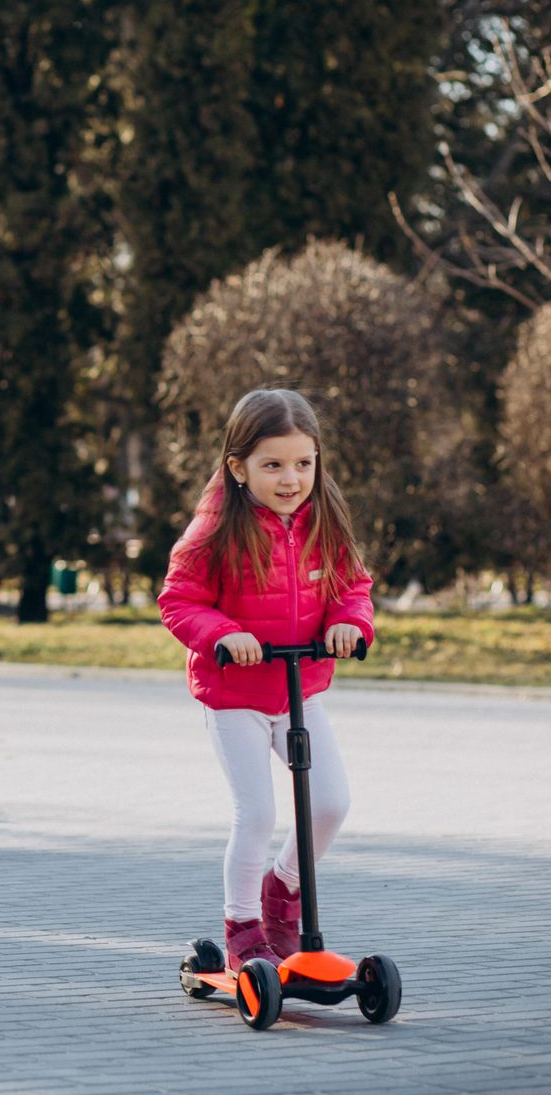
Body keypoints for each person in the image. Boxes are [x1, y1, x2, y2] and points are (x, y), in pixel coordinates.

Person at [157, 388, 374, 972]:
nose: (290, 479)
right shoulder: (215, 529)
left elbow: (352, 586)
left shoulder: (324, 521)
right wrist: (223, 634)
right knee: (256, 815)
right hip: (235, 698)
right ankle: (242, 925)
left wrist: (350, 622)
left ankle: (283, 890)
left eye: (303, 463)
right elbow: (179, 600)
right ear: (238, 467)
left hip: (299, 690)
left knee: (330, 804)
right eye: (273, 465)